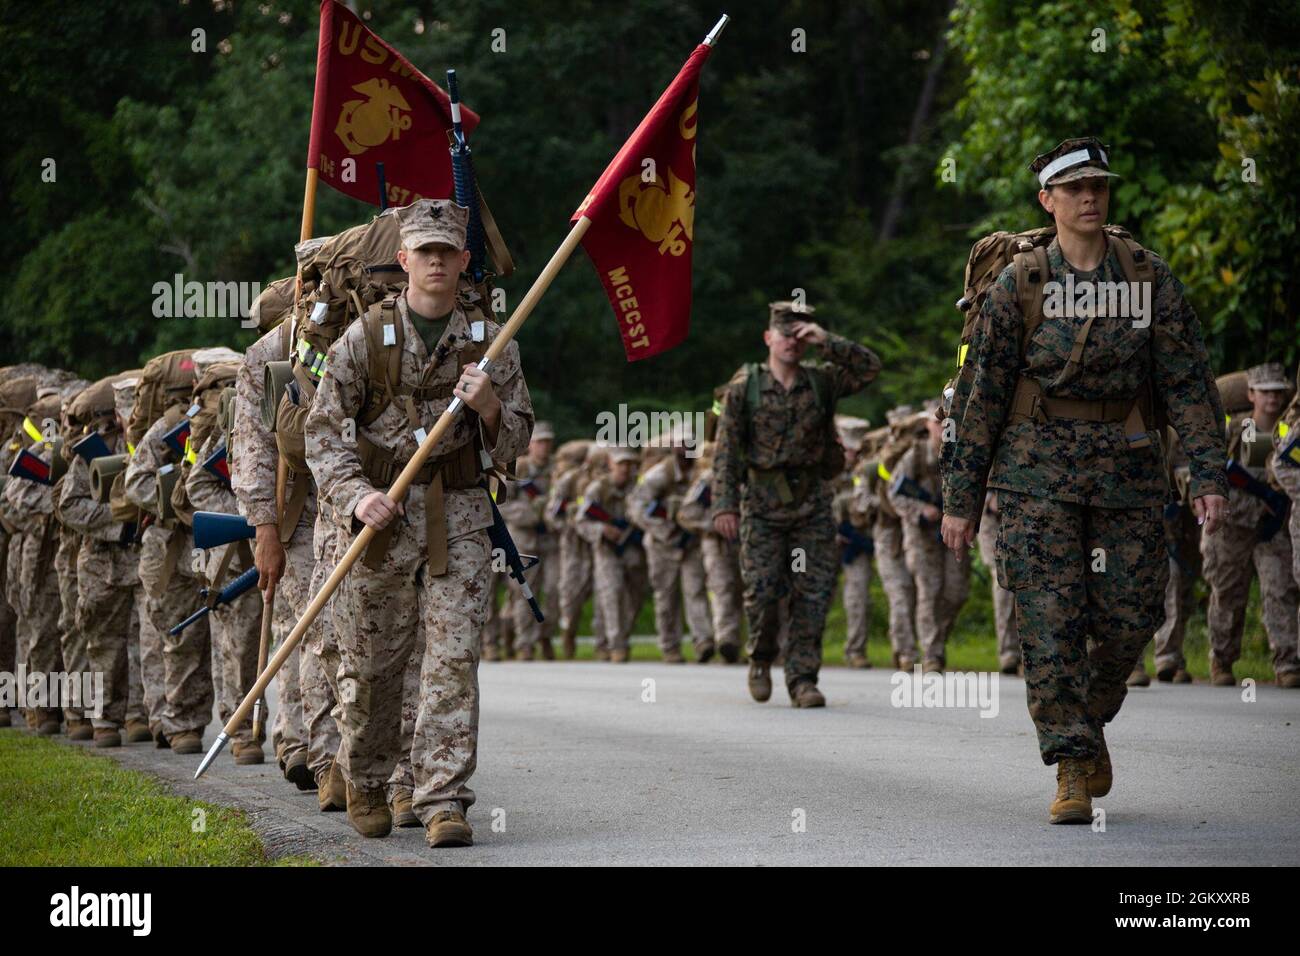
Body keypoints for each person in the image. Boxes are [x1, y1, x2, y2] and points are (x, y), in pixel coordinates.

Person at [941, 137, 1228, 823]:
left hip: (1127, 470)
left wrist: (1207, 470)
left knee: (1134, 616)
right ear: (1048, 200)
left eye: (1098, 185)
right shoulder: (1022, 283)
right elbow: (980, 398)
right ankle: (1070, 763)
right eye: (1073, 188)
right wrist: (961, 498)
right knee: (1050, 622)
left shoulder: (1146, 278)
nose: (1090, 197)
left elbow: (1185, 380)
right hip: (1035, 475)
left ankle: (1089, 718)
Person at [306, 198, 534, 847]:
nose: (436, 263)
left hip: (457, 514)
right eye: (424, 252)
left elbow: (518, 438)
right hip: (381, 519)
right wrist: (353, 496)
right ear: (405, 259)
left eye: (447, 252)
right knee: (373, 662)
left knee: (454, 658)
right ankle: (369, 777)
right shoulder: (362, 339)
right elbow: (324, 430)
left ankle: (441, 796)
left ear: (464, 261)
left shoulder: (492, 344)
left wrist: (491, 409)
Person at [711, 301, 882, 707]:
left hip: (811, 506)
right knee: (764, 590)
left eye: (800, 334)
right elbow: (726, 451)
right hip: (763, 507)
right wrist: (724, 505)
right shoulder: (744, 388)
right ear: (769, 338)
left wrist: (827, 341)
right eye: (785, 334)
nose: (792, 341)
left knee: (813, 588)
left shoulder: (821, 381)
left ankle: (803, 678)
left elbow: (869, 367)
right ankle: (761, 656)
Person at [1201, 362, 1299, 686]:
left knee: (1280, 589)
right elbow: (1236, 474)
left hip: (1273, 527)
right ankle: (1222, 661)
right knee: (1228, 593)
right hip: (1233, 526)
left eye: (1277, 392)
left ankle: (1287, 664)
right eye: (1265, 392)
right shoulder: (1241, 430)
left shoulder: (1286, 431)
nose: (1272, 398)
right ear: (1251, 394)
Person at [889, 401, 971, 673]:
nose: (943, 428)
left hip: (953, 533)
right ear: (928, 425)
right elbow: (895, 493)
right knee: (929, 592)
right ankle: (933, 655)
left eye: (949, 422)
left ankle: (936, 639)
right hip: (921, 535)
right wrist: (920, 510)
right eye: (938, 423)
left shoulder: (961, 456)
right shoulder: (914, 455)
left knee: (956, 592)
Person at [629, 434, 714, 663]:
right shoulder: (658, 475)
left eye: (690, 446)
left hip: (692, 541)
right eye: (682, 445)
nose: (685, 450)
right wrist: (667, 532)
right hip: (661, 544)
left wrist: (696, 525)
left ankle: (703, 641)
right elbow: (637, 509)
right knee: (665, 596)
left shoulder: (701, 473)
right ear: (674, 448)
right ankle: (670, 646)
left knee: (695, 590)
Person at [576, 447, 649, 663]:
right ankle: (616, 645)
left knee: (636, 595)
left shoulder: (639, 488)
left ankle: (615, 638)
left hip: (633, 549)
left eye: (629, 464)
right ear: (610, 464)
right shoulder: (597, 489)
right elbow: (581, 521)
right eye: (621, 464)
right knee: (611, 593)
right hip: (606, 549)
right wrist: (602, 530)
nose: (625, 469)